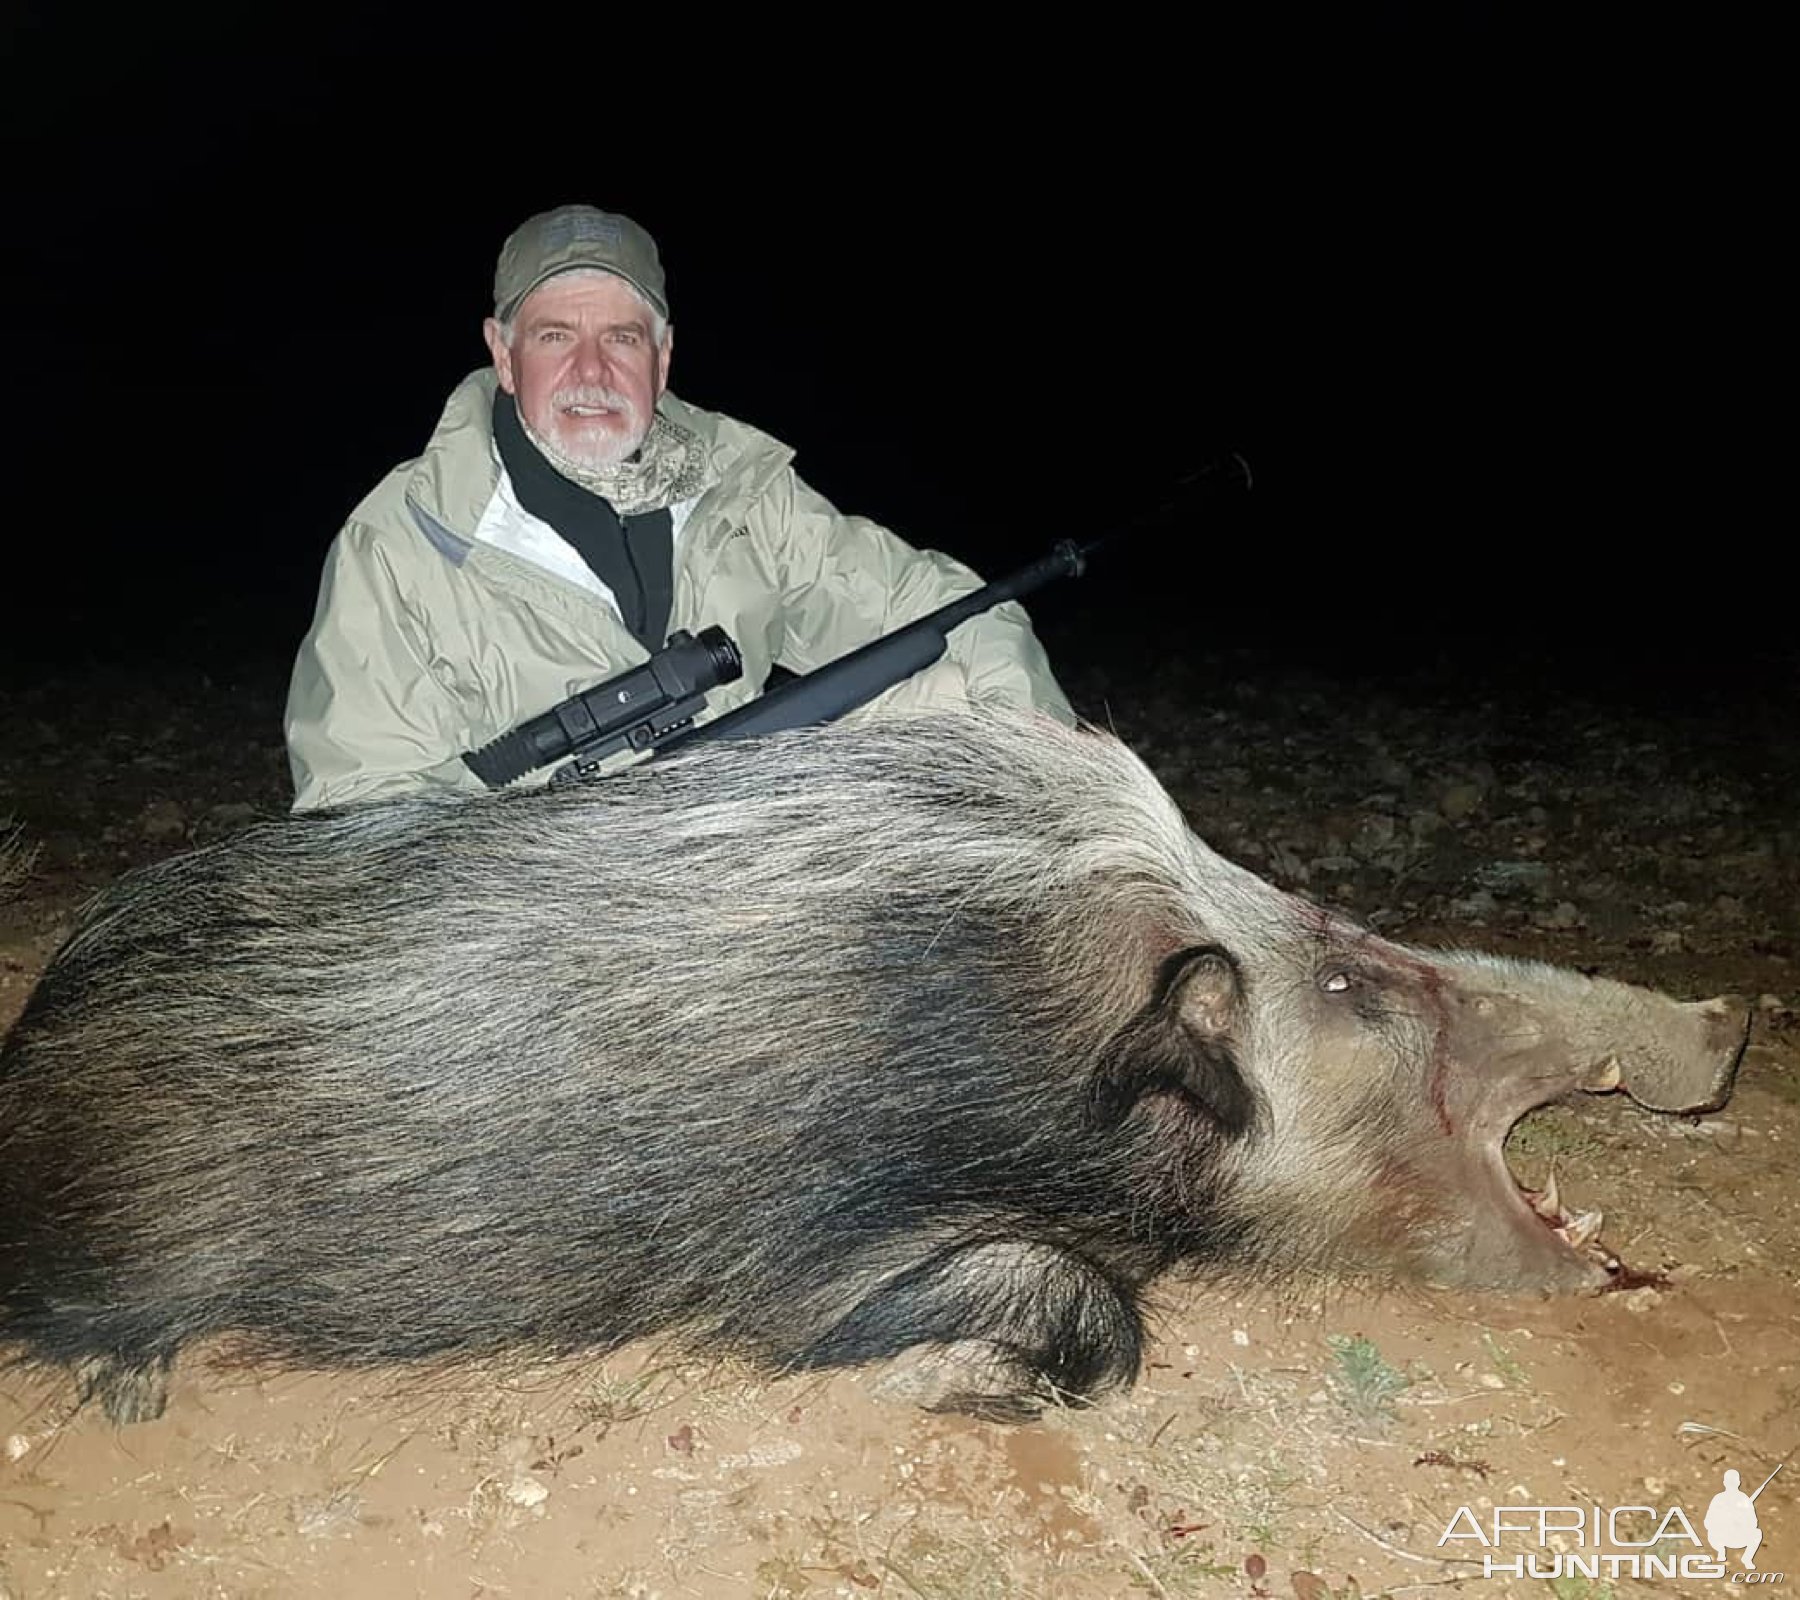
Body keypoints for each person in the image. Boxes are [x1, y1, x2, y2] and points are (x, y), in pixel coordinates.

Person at [285, 204, 1074, 811]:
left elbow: (942, 606)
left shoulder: (741, 490)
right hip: (530, 916)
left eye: (622, 339)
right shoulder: (400, 541)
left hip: (744, 835)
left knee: (966, 700)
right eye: (556, 335)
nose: (591, 370)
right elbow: (355, 814)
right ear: (502, 352)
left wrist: (1045, 760)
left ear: (662, 359)